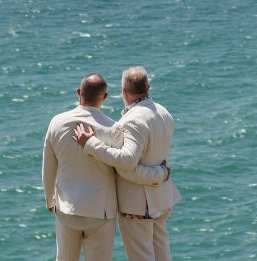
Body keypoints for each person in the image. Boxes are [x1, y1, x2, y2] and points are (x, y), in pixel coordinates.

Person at [42, 74, 166, 261]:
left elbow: (48, 168)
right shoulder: (113, 128)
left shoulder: (56, 123)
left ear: (79, 92)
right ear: (105, 97)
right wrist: (160, 173)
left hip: (67, 210)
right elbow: (123, 168)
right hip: (100, 213)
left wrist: (50, 201)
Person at [73, 66, 181, 261]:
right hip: (162, 198)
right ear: (148, 87)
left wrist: (90, 144)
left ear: (124, 92)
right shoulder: (164, 113)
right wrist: (161, 174)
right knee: (162, 254)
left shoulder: (131, 121)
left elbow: (126, 161)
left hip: (139, 205)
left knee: (142, 256)